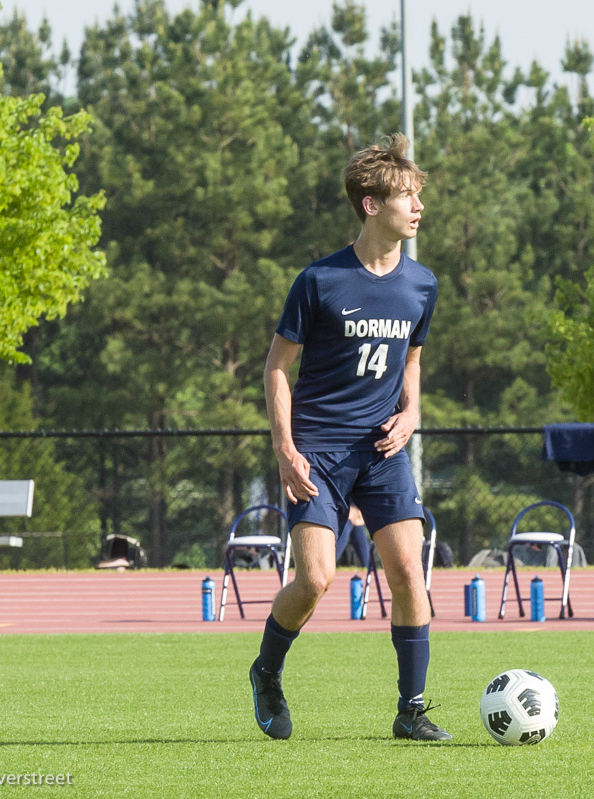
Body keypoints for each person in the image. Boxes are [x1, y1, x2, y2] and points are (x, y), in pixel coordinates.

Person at [249, 133, 447, 741]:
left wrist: (411, 413)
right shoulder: (319, 281)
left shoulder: (422, 285)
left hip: (383, 452)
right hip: (319, 453)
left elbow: (411, 359)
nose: (418, 207)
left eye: (417, 195)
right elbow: (277, 368)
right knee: (315, 580)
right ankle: (267, 671)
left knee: (410, 574)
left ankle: (411, 711)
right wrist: (285, 449)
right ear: (371, 205)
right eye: (407, 197)